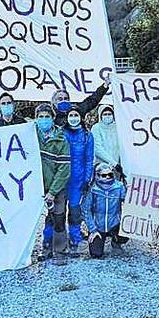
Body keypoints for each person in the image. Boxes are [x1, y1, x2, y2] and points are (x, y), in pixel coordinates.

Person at [35, 103, 71, 266]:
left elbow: (64, 169)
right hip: (36, 187)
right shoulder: (30, 135)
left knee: (58, 218)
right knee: (41, 220)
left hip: (56, 188)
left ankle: (60, 251)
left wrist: (53, 191)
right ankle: (46, 248)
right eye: (40, 117)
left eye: (46, 117)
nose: (43, 120)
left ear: (52, 118)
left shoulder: (61, 139)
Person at [63, 105, 95, 256]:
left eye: (76, 115)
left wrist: (87, 179)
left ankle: (75, 240)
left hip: (78, 179)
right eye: (71, 115)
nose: (73, 118)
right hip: (61, 178)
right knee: (57, 211)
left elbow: (89, 159)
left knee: (75, 210)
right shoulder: (61, 133)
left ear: (81, 118)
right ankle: (53, 242)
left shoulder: (87, 136)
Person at [82, 162, 128, 258]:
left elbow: (128, 202)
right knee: (96, 254)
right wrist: (93, 230)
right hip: (98, 226)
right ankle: (98, 238)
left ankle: (116, 242)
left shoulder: (119, 187)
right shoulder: (93, 190)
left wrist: (131, 192)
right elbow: (86, 210)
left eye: (110, 174)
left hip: (114, 223)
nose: (107, 177)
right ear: (97, 176)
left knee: (126, 231)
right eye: (104, 175)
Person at [91, 104, 121, 176]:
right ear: (100, 115)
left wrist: (118, 164)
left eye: (109, 114)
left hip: (117, 166)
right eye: (105, 114)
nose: (107, 116)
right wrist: (113, 163)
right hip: (102, 165)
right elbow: (97, 148)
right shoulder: (96, 128)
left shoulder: (118, 127)